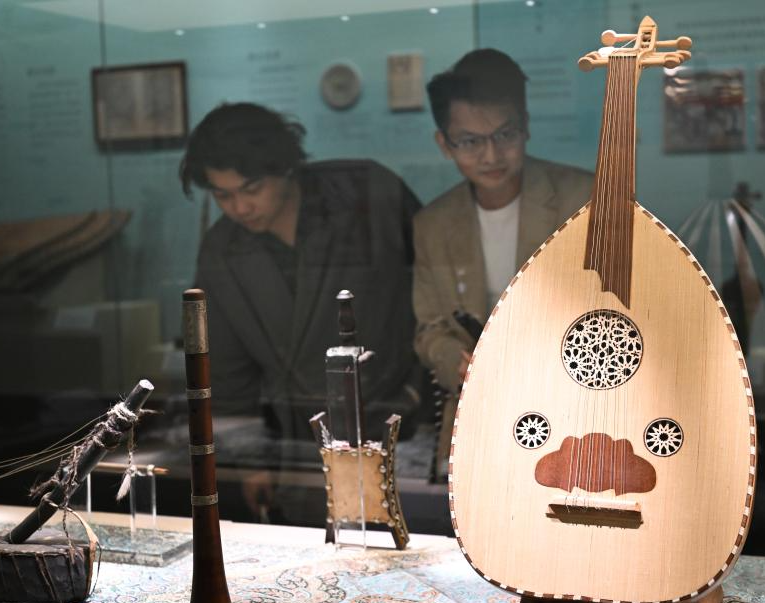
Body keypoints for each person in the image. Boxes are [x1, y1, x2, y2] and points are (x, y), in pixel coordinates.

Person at [181, 102, 422, 441]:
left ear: (285, 168)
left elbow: (435, 293)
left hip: (400, 419)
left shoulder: (368, 195)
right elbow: (225, 369)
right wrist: (242, 446)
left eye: (252, 189)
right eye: (223, 195)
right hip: (295, 435)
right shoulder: (220, 249)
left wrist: (417, 391)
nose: (240, 207)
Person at [412, 49, 594, 474]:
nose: (491, 155)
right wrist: (456, 361)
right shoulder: (433, 224)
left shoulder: (584, 198)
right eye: (470, 141)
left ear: (526, 127)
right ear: (444, 144)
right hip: (479, 414)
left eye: (505, 134)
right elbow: (429, 330)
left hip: (574, 407)